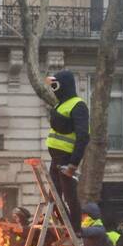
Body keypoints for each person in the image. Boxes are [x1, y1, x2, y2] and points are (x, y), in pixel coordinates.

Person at [45, 70, 89, 234]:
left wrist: (73, 164)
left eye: (55, 85)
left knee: (70, 196)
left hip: (66, 159)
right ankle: (67, 227)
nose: (53, 89)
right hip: (56, 158)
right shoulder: (60, 104)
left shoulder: (78, 105)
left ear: (64, 85)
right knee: (53, 197)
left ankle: (75, 230)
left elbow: (83, 136)